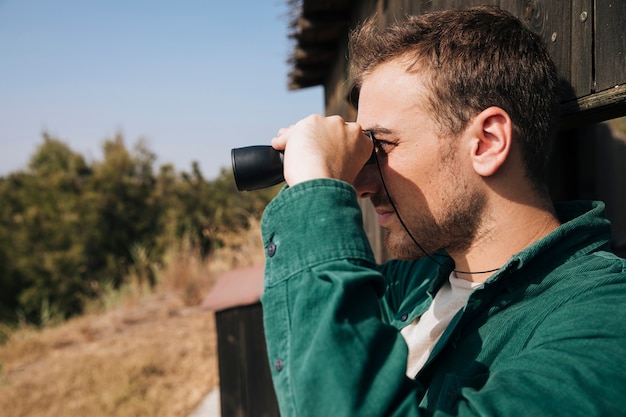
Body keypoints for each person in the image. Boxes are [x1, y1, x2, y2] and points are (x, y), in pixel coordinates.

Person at [260, 6, 626, 416]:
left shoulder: (603, 321)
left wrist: (316, 188)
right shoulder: (414, 281)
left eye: (379, 147)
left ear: (486, 142)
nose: (360, 184)